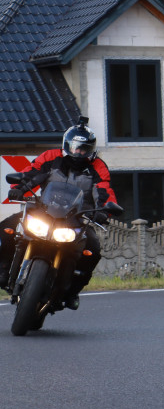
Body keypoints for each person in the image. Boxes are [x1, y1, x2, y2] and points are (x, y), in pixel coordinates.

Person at [0, 118, 119, 309]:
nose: (78, 152)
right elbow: (32, 172)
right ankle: (3, 270)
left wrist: (104, 211)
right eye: (75, 147)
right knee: (6, 228)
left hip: (77, 218)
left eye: (84, 148)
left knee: (93, 251)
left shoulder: (97, 167)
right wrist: (18, 188)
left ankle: (72, 292)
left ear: (91, 150)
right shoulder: (50, 157)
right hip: (43, 210)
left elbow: (103, 190)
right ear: (66, 145)